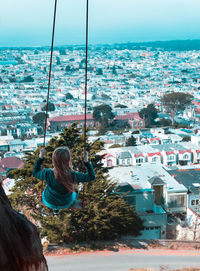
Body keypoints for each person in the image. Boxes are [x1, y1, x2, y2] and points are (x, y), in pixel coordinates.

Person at [33, 146, 95, 214]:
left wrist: (41, 157)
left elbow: (35, 173)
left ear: (54, 160)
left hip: (48, 201)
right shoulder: (74, 175)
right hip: (66, 203)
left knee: (48, 188)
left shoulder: (48, 173)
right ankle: (59, 206)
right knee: (75, 192)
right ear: (69, 160)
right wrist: (86, 162)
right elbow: (91, 176)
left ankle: (55, 209)